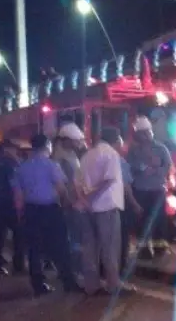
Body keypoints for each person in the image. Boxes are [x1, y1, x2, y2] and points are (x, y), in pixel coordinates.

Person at [12, 134, 79, 296]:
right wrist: (68, 204)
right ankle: (68, 281)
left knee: (34, 250)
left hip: (31, 211)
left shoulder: (21, 168)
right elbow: (61, 188)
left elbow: (18, 196)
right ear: (47, 146)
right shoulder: (51, 165)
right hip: (50, 210)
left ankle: (38, 285)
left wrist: (21, 214)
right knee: (60, 247)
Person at [79, 126, 132, 295]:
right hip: (107, 207)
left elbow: (78, 182)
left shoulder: (88, 155)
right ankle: (113, 285)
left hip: (88, 209)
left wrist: (85, 199)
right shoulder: (111, 154)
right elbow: (108, 180)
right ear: (116, 139)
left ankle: (92, 285)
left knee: (90, 248)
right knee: (110, 248)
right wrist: (92, 195)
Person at [126, 116, 173, 258]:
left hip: (157, 190)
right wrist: (143, 168)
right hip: (140, 191)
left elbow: (168, 165)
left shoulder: (161, 148)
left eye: (147, 132)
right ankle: (144, 251)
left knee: (159, 221)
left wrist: (156, 171)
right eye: (142, 133)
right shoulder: (133, 151)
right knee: (141, 221)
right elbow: (129, 166)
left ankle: (160, 250)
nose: (145, 135)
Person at [54, 123, 88, 280]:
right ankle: (73, 272)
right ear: (66, 140)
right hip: (70, 205)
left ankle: (73, 271)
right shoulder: (61, 159)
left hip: (74, 203)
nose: (78, 144)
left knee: (75, 239)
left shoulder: (70, 155)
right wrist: (72, 202)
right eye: (75, 141)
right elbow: (64, 185)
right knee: (73, 239)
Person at [0, 140, 25, 276]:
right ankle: (18, 264)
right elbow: (15, 185)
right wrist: (19, 204)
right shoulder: (10, 165)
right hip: (10, 204)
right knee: (18, 235)